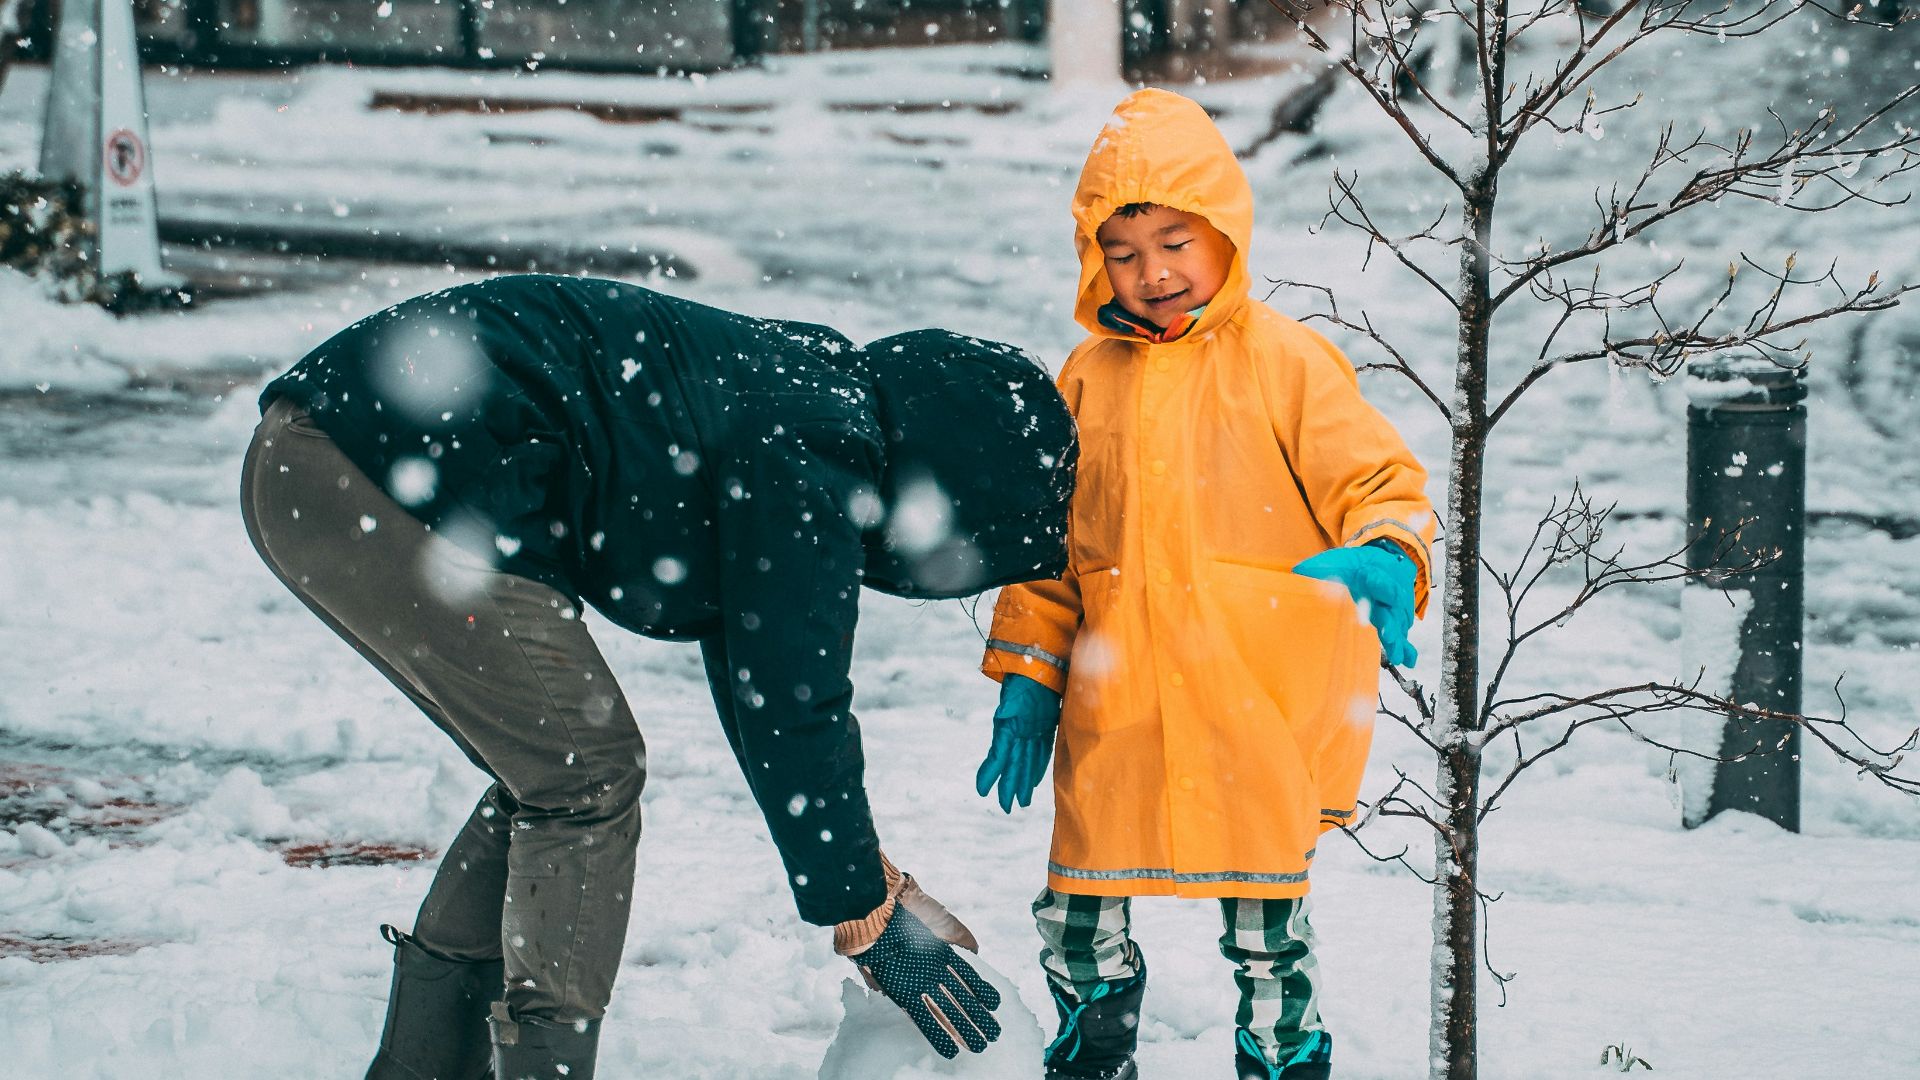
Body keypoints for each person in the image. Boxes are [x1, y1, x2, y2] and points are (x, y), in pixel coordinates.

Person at [239, 274, 1079, 1079]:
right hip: (363, 465)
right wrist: (868, 916)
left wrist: (867, 888)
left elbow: (763, 683)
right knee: (582, 773)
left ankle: (425, 1066)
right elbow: (793, 703)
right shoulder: (819, 455)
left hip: (330, 449)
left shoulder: (805, 400)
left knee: (552, 765)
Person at [973, 89, 1436, 1080]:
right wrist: (1027, 670)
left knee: (1269, 935)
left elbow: (1378, 481)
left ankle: (1284, 1062)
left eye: (1176, 242)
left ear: (1226, 231)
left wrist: (1391, 551)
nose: (1154, 275)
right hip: (1118, 703)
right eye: (1126, 253)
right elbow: (1049, 550)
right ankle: (1092, 1054)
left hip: (1249, 704)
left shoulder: (1286, 363)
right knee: (1073, 916)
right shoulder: (1085, 381)